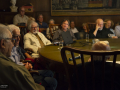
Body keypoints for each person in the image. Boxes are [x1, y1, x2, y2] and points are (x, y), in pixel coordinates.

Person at [8, 25, 57, 90]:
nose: (18, 38)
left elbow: (48, 41)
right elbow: (27, 47)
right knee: (53, 80)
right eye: (33, 27)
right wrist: (39, 49)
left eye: (36, 27)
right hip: (25, 73)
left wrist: (48, 47)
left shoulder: (40, 34)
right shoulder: (9, 50)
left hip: (26, 67)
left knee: (50, 72)